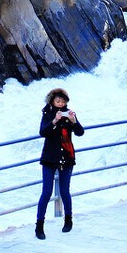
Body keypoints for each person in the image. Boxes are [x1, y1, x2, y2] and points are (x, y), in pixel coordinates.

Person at [35, 87, 84, 239]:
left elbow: (80, 132)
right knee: (46, 192)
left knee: (64, 191)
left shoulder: (69, 114)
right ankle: (39, 226)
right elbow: (43, 132)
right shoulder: (47, 114)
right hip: (50, 157)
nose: (60, 104)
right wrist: (54, 120)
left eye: (63, 102)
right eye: (58, 101)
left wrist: (74, 121)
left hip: (66, 157)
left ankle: (68, 220)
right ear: (52, 101)